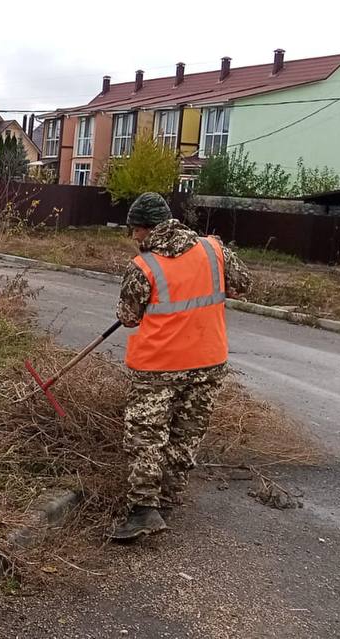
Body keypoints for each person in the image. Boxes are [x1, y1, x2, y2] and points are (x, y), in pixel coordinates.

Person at [109, 192, 252, 541]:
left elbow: (129, 318)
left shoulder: (143, 266)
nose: (134, 238)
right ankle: (168, 500)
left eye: (135, 231)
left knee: (147, 435)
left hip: (159, 367)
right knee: (185, 434)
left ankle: (144, 510)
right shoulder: (213, 250)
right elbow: (244, 285)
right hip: (208, 362)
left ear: (145, 228)